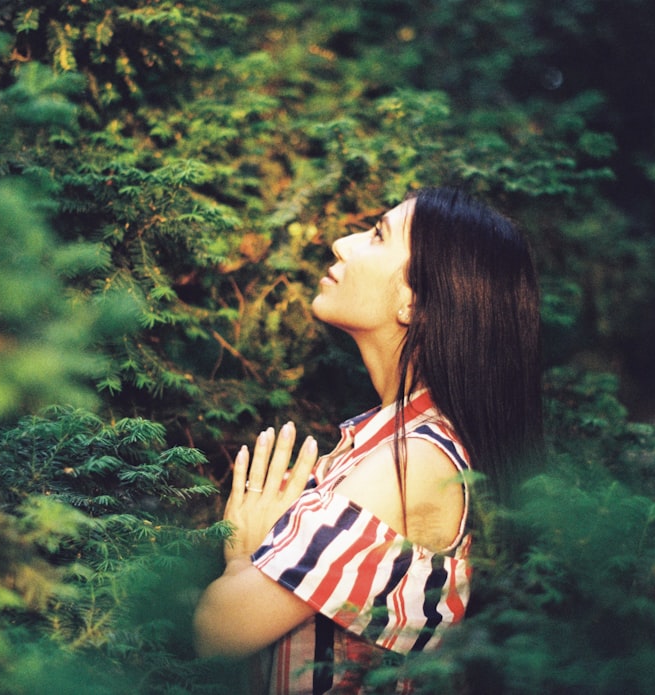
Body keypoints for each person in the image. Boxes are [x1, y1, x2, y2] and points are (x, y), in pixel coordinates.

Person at [194, 187, 543, 693]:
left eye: (377, 236)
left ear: (412, 301)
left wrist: (241, 557)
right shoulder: (389, 444)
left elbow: (215, 632)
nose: (341, 244)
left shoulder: (414, 465)